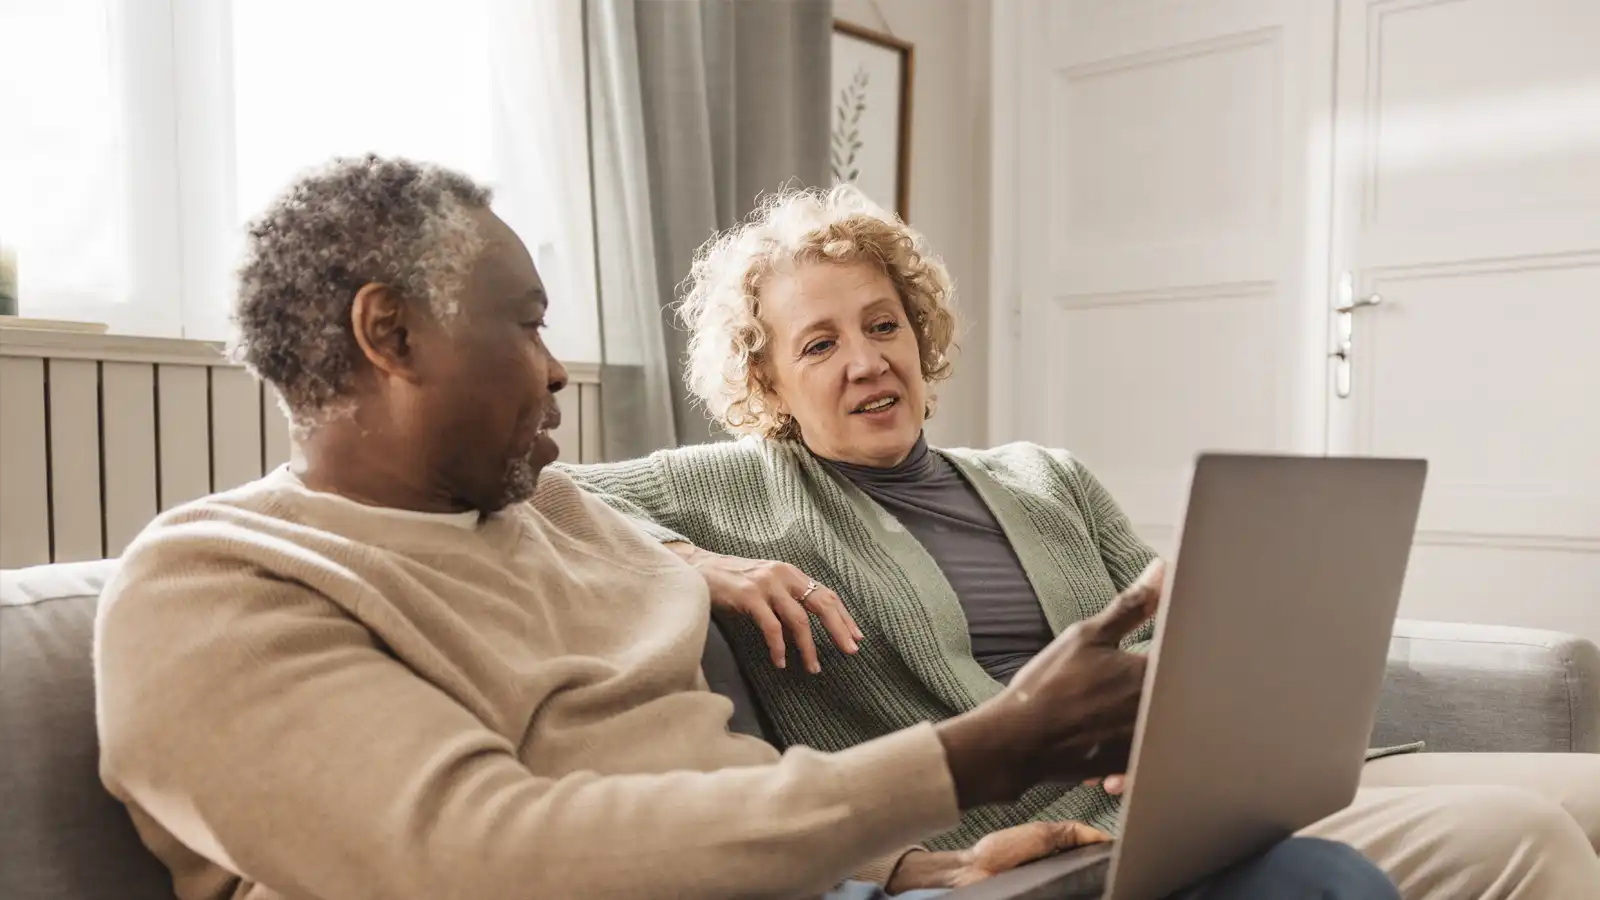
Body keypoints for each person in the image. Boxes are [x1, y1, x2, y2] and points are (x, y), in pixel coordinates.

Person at [93, 155, 1399, 900]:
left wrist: (906, 868)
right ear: (390, 335)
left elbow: (697, 784)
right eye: (528, 321)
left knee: (1317, 887)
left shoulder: (547, 511)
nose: (556, 372)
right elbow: (477, 858)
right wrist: (968, 759)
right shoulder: (214, 587)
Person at [558, 183, 1600, 900]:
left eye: (883, 325)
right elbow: (544, 492)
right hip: (1061, 826)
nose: (866, 361)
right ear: (767, 383)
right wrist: (698, 560)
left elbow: (1157, 626)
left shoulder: (1042, 474)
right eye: (818, 344)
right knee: (1525, 838)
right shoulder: (736, 486)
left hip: (1207, 776)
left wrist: (1232, 642)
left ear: (920, 337)